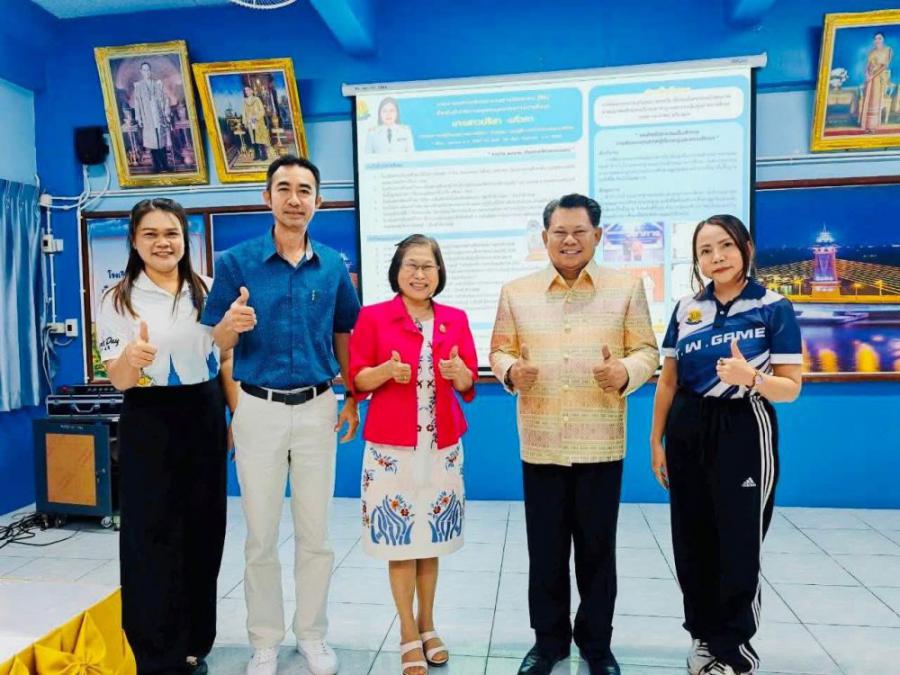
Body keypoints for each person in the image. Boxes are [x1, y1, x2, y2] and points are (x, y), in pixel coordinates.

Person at [201, 155, 361, 675]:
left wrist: (352, 395)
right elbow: (215, 340)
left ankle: (312, 635)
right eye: (285, 188)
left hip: (318, 407)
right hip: (258, 408)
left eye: (305, 190)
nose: (295, 199)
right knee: (261, 535)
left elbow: (344, 333)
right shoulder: (236, 262)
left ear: (319, 200)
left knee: (316, 534)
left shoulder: (333, 265)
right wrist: (230, 325)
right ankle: (264, 641)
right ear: (267, 197)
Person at [489, 194, 659, 675]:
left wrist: (625, 371)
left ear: (597, 236)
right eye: (559, 232)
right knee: (544, 551)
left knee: (597, 550)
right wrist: (511, 371)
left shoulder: (626, 288)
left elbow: (647, 350)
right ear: (545, 237)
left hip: (600, 440)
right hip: (541, 441)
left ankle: (597, 645)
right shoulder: (516, 292)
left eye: (579, 232)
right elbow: (499, 349)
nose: (569, 240)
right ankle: (548, 644)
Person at [650, 215, 802, 675]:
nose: (716, 257)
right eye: (705, 251)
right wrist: (656, 441)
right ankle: (702, 637)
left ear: (746, 248)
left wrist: (752, 378)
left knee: (738, 541)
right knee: (691, 539)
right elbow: (668, 381)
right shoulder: (686, 309)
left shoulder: (773, 307)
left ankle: (734, 647)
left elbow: (791, 387)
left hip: (743, 426)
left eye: (725, 246)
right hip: (687, 427)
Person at [97, 197, 231, 675]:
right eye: (150, 234)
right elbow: (118, 380)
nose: (162, 242)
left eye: (171, 233)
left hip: (204, 412)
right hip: (149, 417)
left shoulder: (208, 289)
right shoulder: (117, 298)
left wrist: (234, 418)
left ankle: (195, 640)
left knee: (204, 528)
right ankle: (155, 651)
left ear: (185, 239)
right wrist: (130, 359)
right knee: (151, 533)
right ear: (134, 241)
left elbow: (224, 358)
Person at [349, 234, 477, 675]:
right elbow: (357, 380)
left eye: (428, 266)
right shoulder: (372, 317)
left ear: (439, 273)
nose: (420, 274)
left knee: (430, 542)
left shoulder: (455, 319)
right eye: (411, 265)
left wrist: (460, 373)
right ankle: (407, 630)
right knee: (400, 543)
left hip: (441, 450)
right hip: (391, 450)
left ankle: (428, 624)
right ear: (397, 271)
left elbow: (468, 385)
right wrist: (386, 371)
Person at [132, 62, 172, 173]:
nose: (147, 72)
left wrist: (166, 112)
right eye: (144, 70)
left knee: (161, 142)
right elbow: (137, 103)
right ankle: (157, 166)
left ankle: (165, 165)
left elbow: (164, 99)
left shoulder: (157, 84)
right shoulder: (138, 86)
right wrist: (138, 118)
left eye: (148, 70)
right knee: (153, 143)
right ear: (141, 71)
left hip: (158, 116)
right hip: (148, 117)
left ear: (150, 71)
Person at [859, 32, 893, 131]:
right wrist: (867, 74)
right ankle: (866, 125)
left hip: (879, 78)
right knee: (868, 100)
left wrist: (872, 76)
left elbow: (884, 66)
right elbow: (867, 65)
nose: (877, 40)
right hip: (869, 78)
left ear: (883, 39)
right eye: (875, 39)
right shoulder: (872, 52)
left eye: (879, 38)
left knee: (874, 100)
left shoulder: (888, 50)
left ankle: (873, 126)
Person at [242, 85, 271, 162]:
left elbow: (262, 111)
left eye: (248, 90)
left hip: (258, 122)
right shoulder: (245, 101)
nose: (247, 92)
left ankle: (264, 155)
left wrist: (255, 117)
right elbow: (244, 113)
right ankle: (257, 155)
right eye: (245, 90)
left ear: (251, 91)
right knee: (253, 140)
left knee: (260, 139)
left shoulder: (257, 99)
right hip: (250, 123)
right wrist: (245, 122)